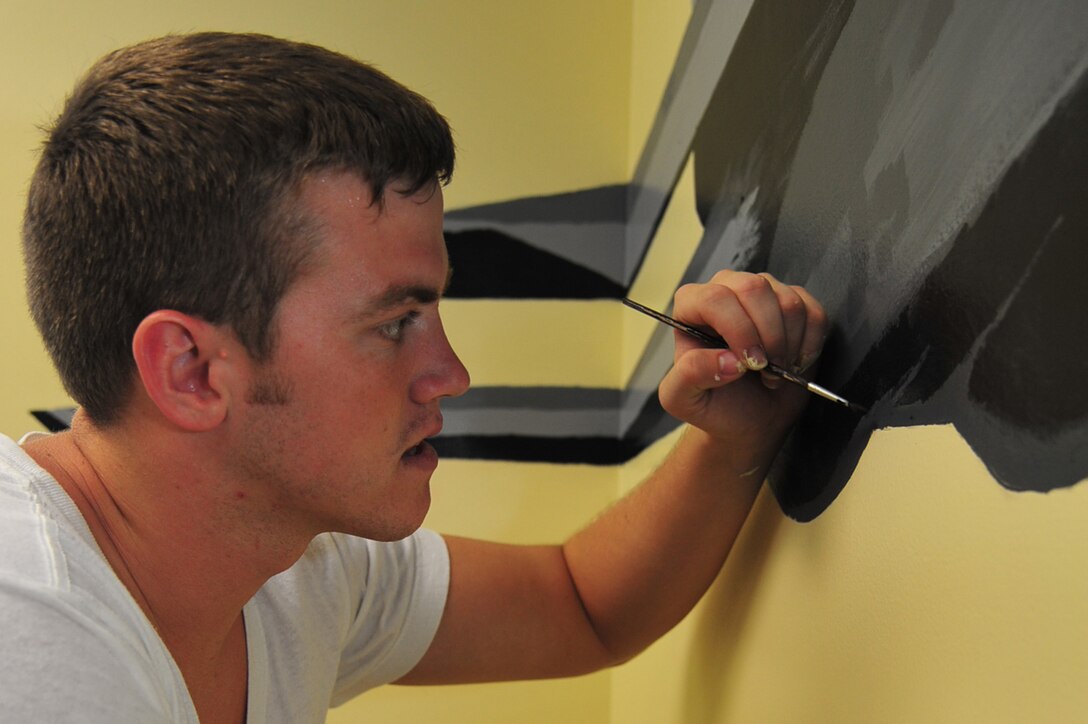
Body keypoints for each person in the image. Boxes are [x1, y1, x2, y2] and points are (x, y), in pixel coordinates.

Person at [2, 32, 827, 723]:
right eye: (395, 322)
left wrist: (731, 442)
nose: (451, 376)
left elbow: (581, 607)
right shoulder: (34, 647)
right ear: (191, 372)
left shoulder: (299, 567)